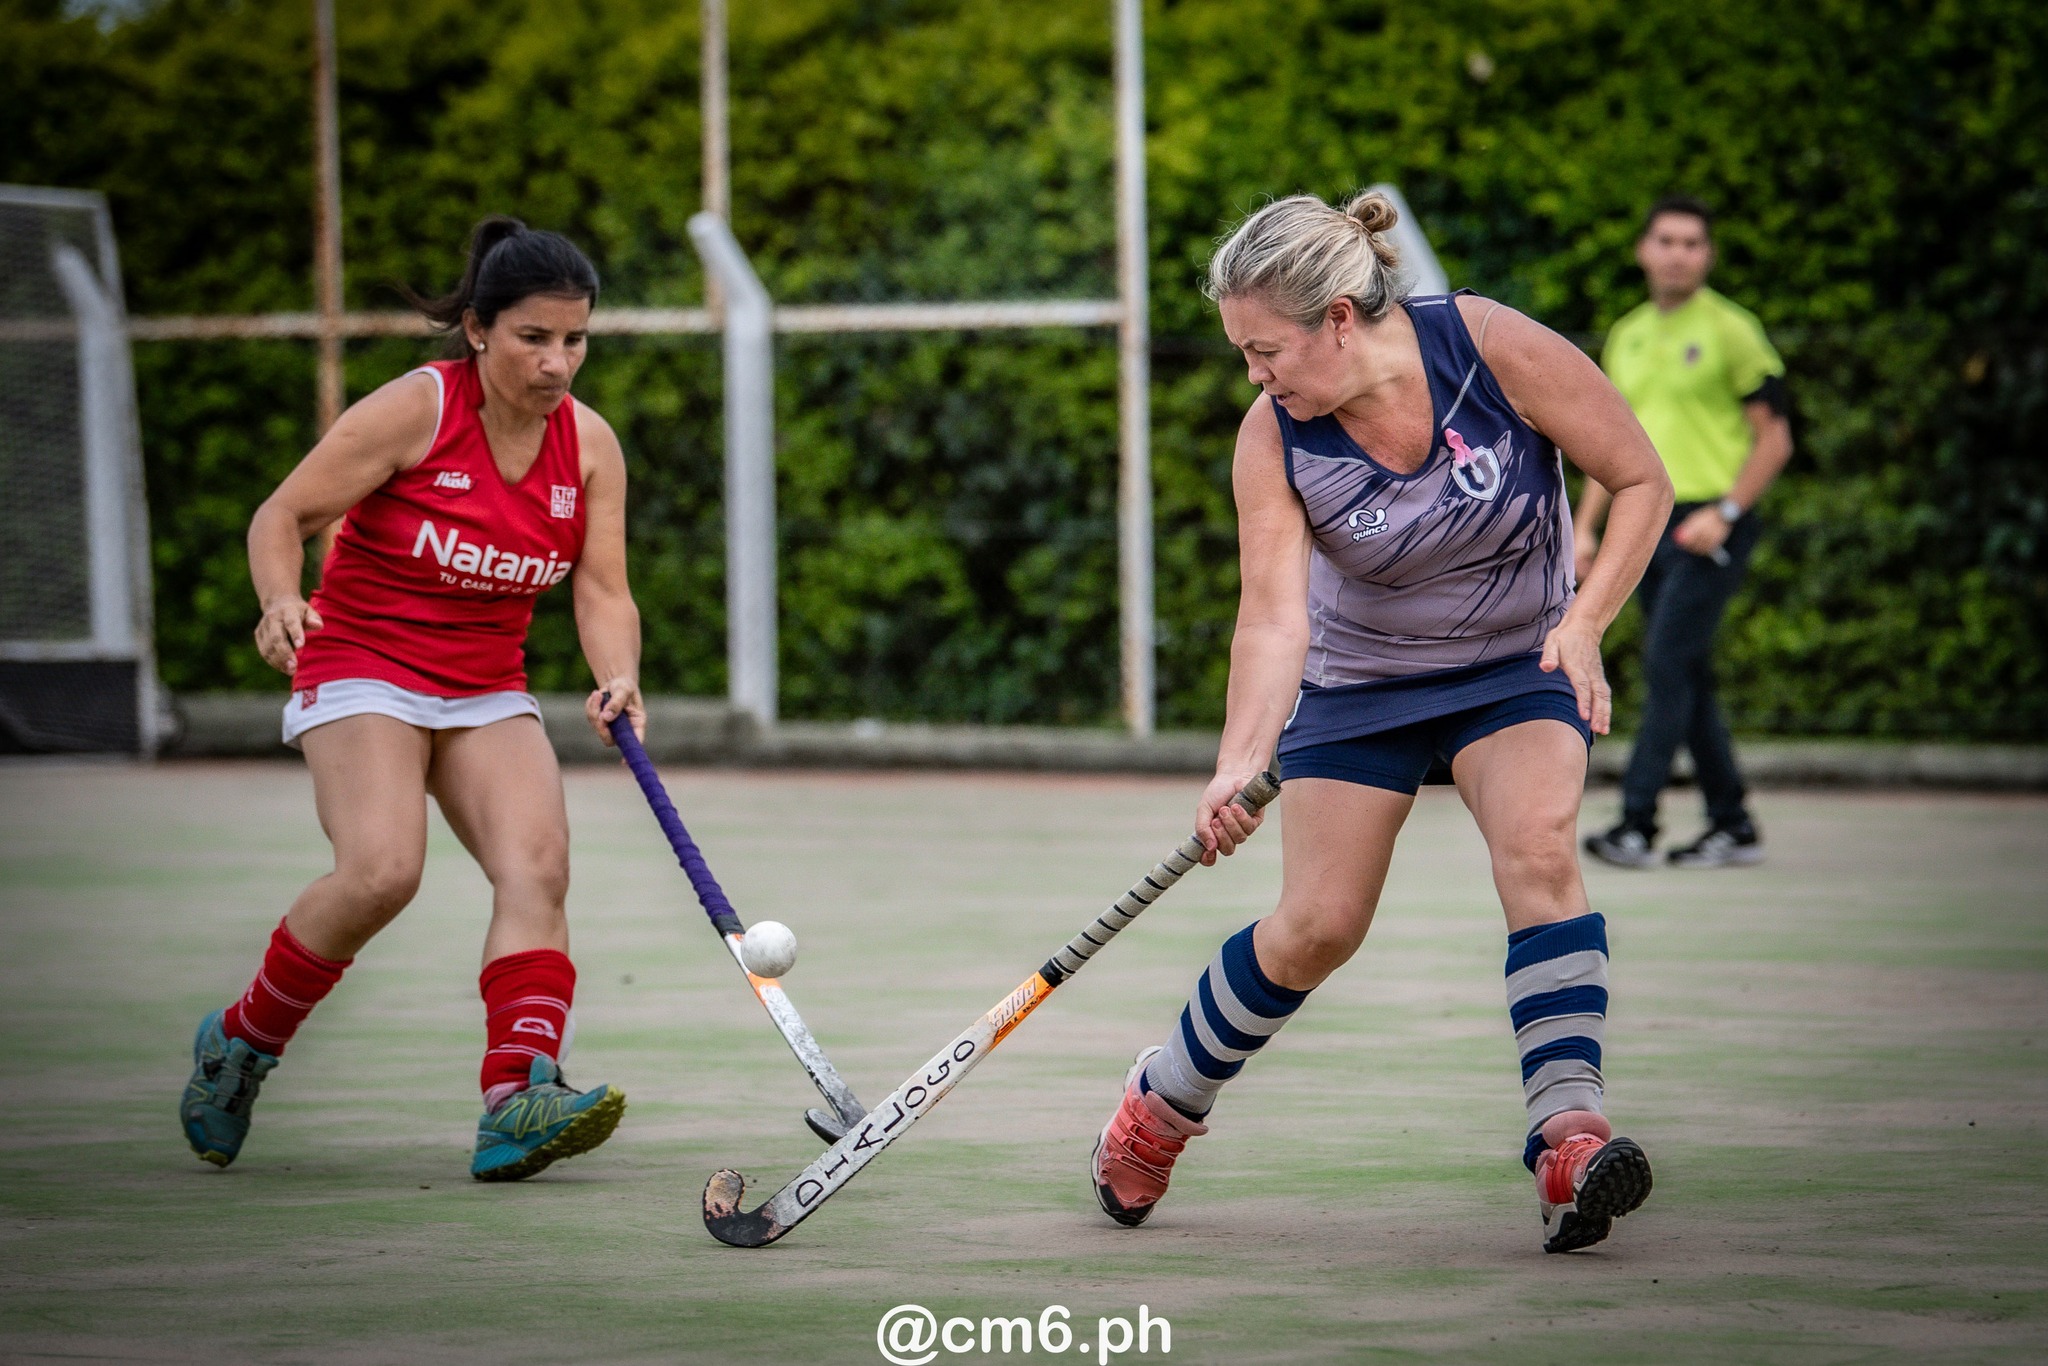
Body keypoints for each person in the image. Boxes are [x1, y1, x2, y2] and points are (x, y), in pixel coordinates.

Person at [1088, 192, 1674, 1253]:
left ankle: (1567, 1137)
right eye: (1241, 353)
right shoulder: (1273, 435)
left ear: (1340, 319)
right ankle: (1161, 1099)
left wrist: (1585, 623)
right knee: (1318, 925)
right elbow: (1272, 616)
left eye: (1265, 350)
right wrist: (1236, 761)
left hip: (1516, 662)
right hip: (1360, 685)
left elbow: (1638, 478)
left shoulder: (1488, 347)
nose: (1254, 375)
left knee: (1539, 851)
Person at [180, 217, 646, 1182]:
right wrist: (278, 599)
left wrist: (617, 675)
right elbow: (283, 515)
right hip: (362, 660)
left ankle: (518, 1093)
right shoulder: (417, 409)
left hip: (483, 682)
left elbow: (601, 589)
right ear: (478, 329)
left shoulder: (589, 447)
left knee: (538, 870)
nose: (558, 363)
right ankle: (241, 1042)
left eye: (575, 339)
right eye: (534, 338)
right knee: (383, 872)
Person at [1578, 196, 1793, 869]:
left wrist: (1724, 512)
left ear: (1709, 255)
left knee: (1667, 664)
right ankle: (1733, 823)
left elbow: (1776, 439)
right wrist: (1585, 528)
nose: (1678, 253)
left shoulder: (1733, 330)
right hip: (1647, 521)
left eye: (1693, 243)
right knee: (1687, 674)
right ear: (1644, 250)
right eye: (1666, 240)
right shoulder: (1627, 334)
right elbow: (1605, 448)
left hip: (1710, 522)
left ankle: (1636, 824)